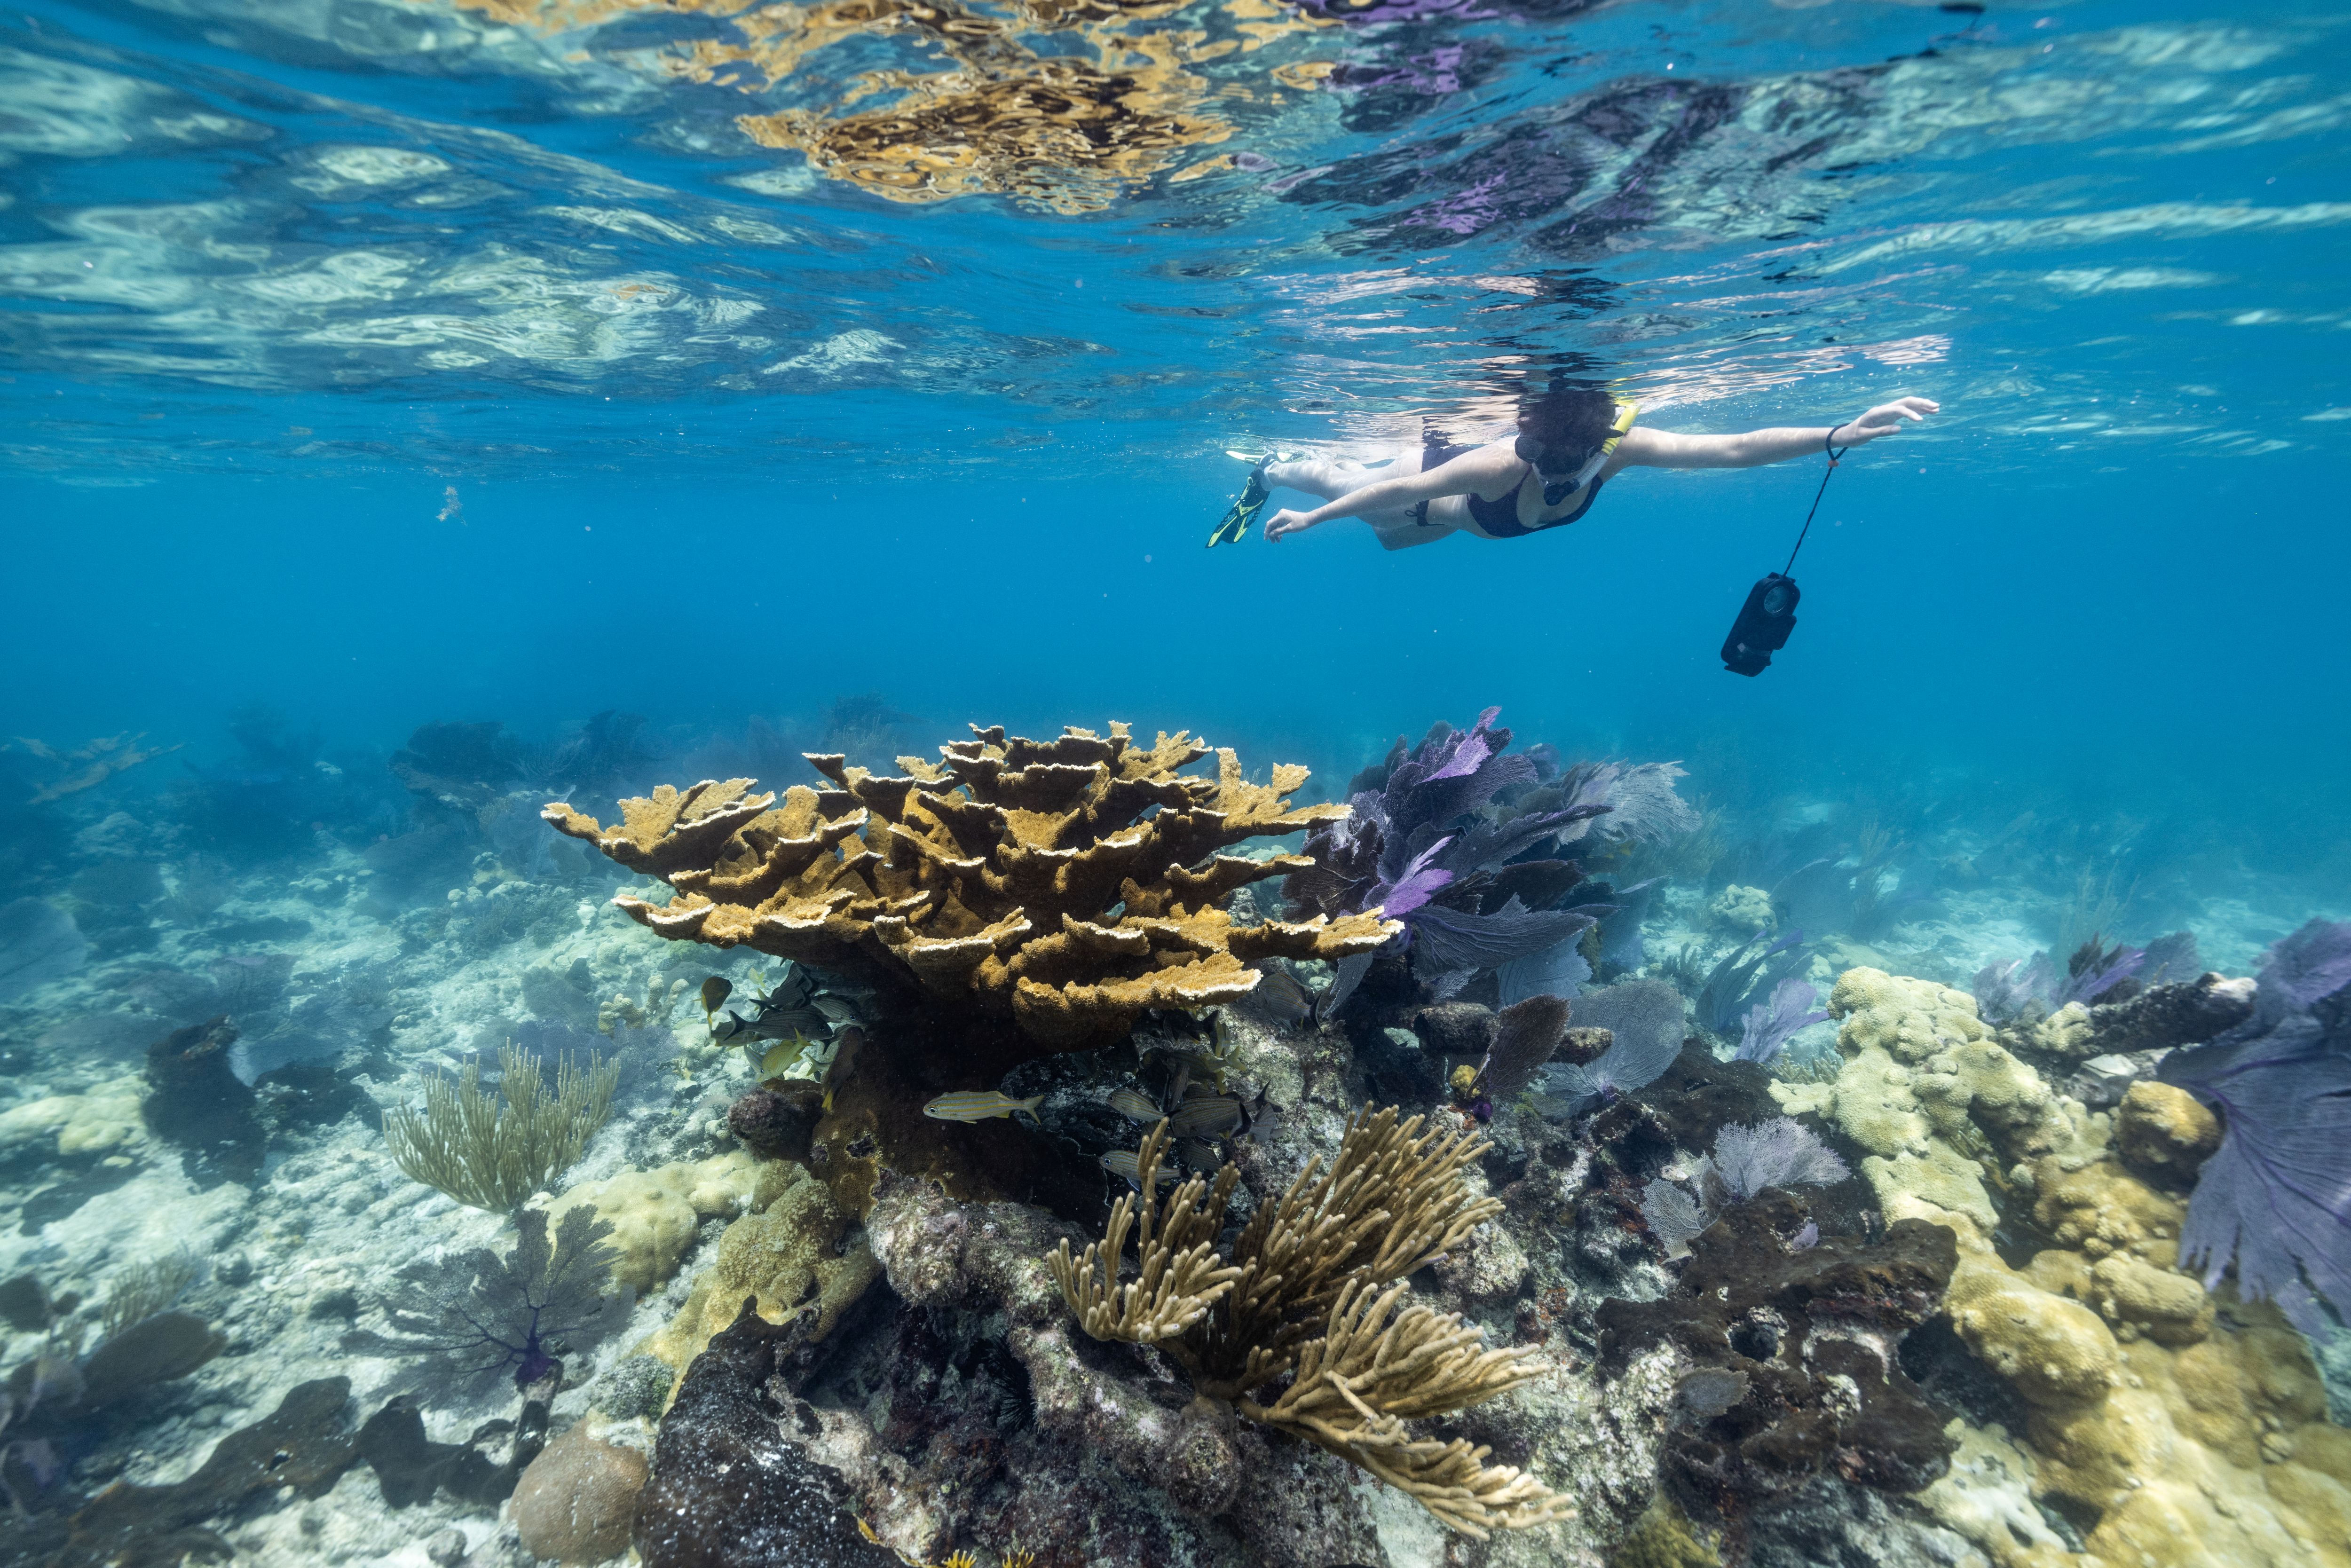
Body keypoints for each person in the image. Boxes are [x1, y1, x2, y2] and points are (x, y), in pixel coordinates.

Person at [1236, 384, 1938, 550]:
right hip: (1431, 487)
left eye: (1563, 460)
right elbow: (1404, 486)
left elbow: (1731, 448)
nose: (1549, 469)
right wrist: (1310, 520)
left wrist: (1837, 432)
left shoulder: (1623, 449)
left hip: (1463, 528)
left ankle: (1293, 478)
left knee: (1392, 541)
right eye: (1537, 456)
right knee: (1356, 494)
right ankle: (1270, 471)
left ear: (1596, 447)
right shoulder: (1498, 463)